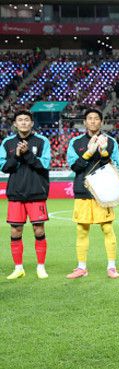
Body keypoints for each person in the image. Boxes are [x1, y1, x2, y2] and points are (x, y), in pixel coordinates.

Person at [66, 108, 119, 279]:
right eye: (89, 118)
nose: (93, 121)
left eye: (96, 118)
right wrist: (89, 152)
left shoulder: (110, 142)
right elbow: (74, 167)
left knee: (107, 228)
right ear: (85, 122)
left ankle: (111, 267)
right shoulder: (75, 142)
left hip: (103, 192)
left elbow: (115, 167)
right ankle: (81, 267)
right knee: (82, 230)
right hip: (82, 190)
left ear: (101, 122)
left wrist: (103, 151)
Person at [0, 110, 50, 279]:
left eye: (26, 120)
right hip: (16, 193)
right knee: (15, 231)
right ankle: (18, 268)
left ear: (32, 123)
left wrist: (27, 153)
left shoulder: (42, 141)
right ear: (15, 124)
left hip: (37, 193)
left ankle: (41, 267)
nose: (23, 122)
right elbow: (4, 167)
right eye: (20, 120)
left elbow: (44, 165)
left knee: (38, 229)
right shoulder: (7, 143)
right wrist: (17, 155)